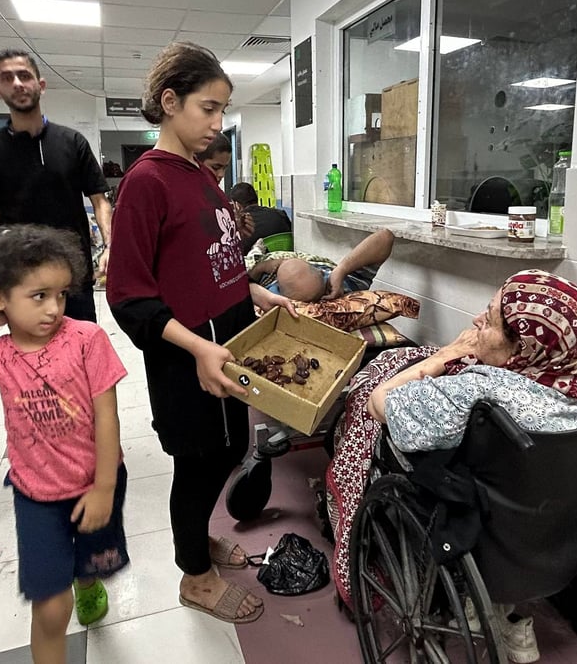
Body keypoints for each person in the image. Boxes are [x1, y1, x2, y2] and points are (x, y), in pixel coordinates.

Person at [326, 269, 577, 661]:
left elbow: (380, 404)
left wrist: (447, 353)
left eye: (490, 318)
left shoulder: (479, 393)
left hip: (484, 536)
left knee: (373, 415)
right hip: (563, 534)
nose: (477, 321)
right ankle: (513, 622)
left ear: (522, 349)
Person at [107, 42, 297, 625]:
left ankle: (197, 542)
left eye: (222, 112)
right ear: (169, 102)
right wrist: (195, 347)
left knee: (229, 449)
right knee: (197, 464)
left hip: (227, 343)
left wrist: (256, 293)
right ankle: (194, 575)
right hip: (189, 355)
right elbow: (129, 295)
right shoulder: (147, 182)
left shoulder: (197, 175)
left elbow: (213, 259)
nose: (218, 125)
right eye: (209, 109)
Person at [0, 224, 129, 663]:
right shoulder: (1, 353)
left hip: (95, 483)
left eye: (60, 294)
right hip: (36, 493)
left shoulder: (87, 339)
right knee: (50, 607)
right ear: (0, 296)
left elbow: (106, 416)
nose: (54, 308)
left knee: (89, 562)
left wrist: (102, 488)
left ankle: (87, 580)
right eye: (38, 296)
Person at [0, 48, 113, 323]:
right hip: (21, 276)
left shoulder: (72, 142)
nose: (18, 83)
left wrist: (110, 246)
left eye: (24, 75)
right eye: (7, 78)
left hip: (73, 273)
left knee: (81, 348)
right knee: (32, 356)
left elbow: (100, 200)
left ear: (41, 85)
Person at [248, 228, 395, 302]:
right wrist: (342, 270)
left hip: (270, 264)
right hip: (272, 262)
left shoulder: (345, 286)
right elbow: (386, 236)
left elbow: (385, 237)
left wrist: (341, 269)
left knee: (253, 255)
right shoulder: (346, 282)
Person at [228, 182, 292, 255]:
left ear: (237, 205)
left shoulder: (241, 225)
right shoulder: (280, 214)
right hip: (284, 260)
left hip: (254, 264)